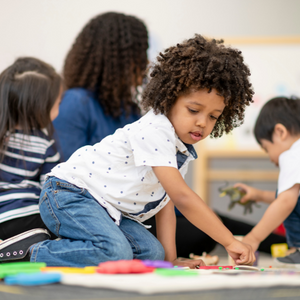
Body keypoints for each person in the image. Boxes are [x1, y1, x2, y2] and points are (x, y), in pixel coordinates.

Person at [0, 35, 256, 268]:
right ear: (169, 100)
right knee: (114, 251)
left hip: (105, 210)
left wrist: (170, 260)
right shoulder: (156, 129)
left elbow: (165, 205)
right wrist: (229, 241)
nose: (202, 122)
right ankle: (27, 252)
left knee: (152, 255)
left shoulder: (180, 148)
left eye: (213, 116)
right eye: (193, 110)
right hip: (68, 194)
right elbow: (183, 198)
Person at [53, 12, 148, 161]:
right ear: (117, 60)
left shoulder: (130, 111)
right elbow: (65, 173)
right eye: (140, 55)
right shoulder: (76, 103)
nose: (146, 63)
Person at [0, 57, 63, 251]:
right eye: (57, 103)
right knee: (62, 230)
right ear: (39, 107)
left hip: (3, 218)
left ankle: (10, 246)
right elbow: (50, 187)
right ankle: (32, 245)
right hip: (29, 215)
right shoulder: (44, 142)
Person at [234, 96, 300, 267]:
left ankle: (298, 249)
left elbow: (286, 202)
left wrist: (253, 238)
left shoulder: (292, 155)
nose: (270, 157)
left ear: (280, 132)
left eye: (266, 148)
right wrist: (259, 195)